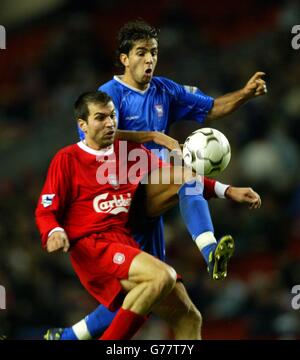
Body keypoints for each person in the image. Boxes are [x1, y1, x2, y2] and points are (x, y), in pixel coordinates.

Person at [45, 19, 264, 340]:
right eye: (141, 53)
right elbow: (95, 139)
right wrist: (153, 136)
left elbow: (213, 107)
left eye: (154, 52)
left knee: (170, 304)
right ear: (124, 58)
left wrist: (245, 94)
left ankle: (67, 338)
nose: (149, 59)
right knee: (185, 180)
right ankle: (210, 250)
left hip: (149, 205)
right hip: (117, 194)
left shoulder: (165, 89)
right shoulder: (107, 97)